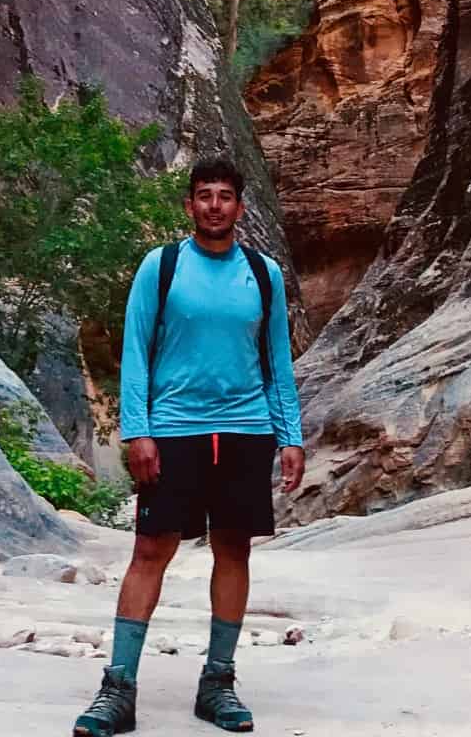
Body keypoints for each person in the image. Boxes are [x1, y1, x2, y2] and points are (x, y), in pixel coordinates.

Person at [72, 153, 304, 736]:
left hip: (247, 430)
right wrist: (137, 431)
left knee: (234, 549)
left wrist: (290, 436)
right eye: (205, 195)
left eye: (225, 195)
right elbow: (135, 352)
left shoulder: (264, 273)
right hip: (174, 429)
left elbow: (277, 360)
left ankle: (218, 684)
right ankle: (117, 689)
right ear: (190, 204)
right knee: (150, 550)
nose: (215, 205)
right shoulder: (163, 266)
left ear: (240, 206)